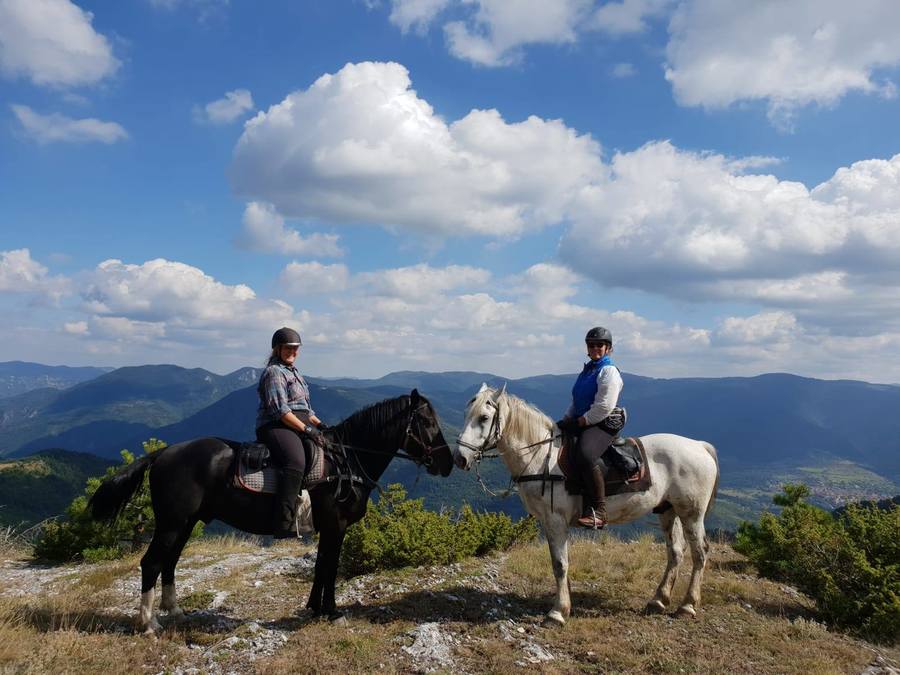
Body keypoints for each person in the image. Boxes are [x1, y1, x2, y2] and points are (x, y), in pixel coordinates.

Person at [256, 327, 327, 538]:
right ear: (277, 349)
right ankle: (284, 521)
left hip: (297, 423)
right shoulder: (274, 372)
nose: (293, 352)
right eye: (288, 348)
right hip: (276, 426)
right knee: (295, 461)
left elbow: (307, 410)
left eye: (296, 348)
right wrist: (306, 429)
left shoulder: (295, 373)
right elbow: (280, 411)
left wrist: (322, 427)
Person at [557, 327, 624, 529]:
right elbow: (577, 400)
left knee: (586, 455)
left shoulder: (608, 371)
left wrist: (580, 422)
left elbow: (603, 406)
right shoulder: (588, 370)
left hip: (603, 422)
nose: (595, 348)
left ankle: (599, 511)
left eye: (599, 345)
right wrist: (565, 420)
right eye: (591, 345)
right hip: (584, 419)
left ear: (608, 348)